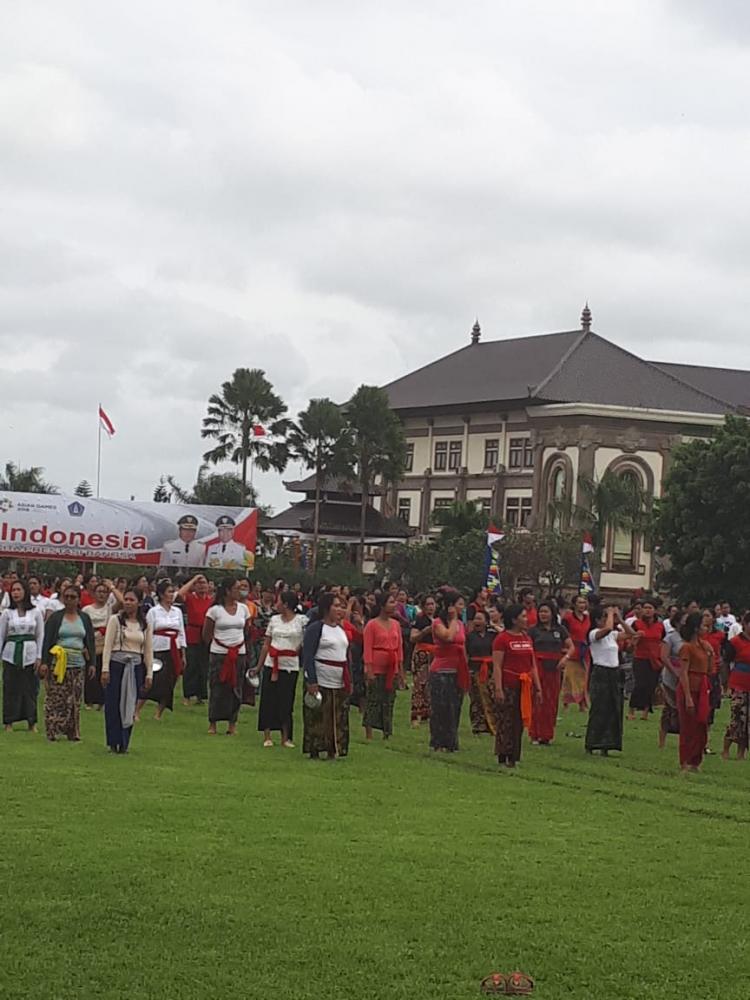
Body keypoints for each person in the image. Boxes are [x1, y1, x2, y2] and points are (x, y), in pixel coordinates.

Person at [40, 585, 96, 742]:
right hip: (58, 663)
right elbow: (47, 640)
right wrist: (44, 662)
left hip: (78, 663)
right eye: (67, 597)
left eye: (73, 597)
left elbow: (89, 640)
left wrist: (92, 662)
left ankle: (73, 731)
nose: (69, 600)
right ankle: (52, 729)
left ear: (79, 599)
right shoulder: (56, 618)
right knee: (56, 697)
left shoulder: (84, 618)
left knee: (75, 698)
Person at [101, 589, 154, 753]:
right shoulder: (115, 620)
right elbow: (108, 645)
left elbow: (148, 650)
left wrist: (149, 673)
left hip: (135, 667)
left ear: (138, 602)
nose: (128, 603)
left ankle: (124, 742)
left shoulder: (145, 624)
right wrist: (105, 669)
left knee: (130, 704)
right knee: (113, 704)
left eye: (132, 600)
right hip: (117, 665)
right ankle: (113, 741)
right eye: (126, 599)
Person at [492, 604, 542, 768]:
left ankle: (514, 756)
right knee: (505, 720)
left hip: (524, 686)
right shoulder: (502, 639)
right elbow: (497, 665)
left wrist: (538, 687)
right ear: (514, 619)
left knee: (518, 722)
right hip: (508, 685)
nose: (526, 620)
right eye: (523, 616)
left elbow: (532, 664)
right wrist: (498, 688)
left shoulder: (527, 638)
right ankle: (502, 754)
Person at [302, 594, 350, 760]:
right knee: (318, 715)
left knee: (337, 715)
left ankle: (334, 747)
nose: (339, 610)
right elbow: (308, 655)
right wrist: (311, 680)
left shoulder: (341, 630)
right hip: (321, 675)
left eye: (341, 606)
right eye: (336, 606)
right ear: (326, 608)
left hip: (339, 678)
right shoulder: (316, 628)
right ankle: (315, 748)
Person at [255, 590, 305, 747]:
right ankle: (267, 735)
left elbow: (306, 639)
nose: (276, 604)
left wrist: (299, 649)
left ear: (286, 604)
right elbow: (266, 644)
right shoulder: (274, 620)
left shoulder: (302, 621)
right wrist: (259, 666)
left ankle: (286, 737)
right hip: (272, 663)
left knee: (286, 701)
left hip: (290, 665)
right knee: (268, 699)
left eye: (279, 601)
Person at [202, 577, 251, 736]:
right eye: (236, 588)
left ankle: (232, 723)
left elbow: (247, 630)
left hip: (238, 653)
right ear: (228, 591)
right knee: (217, 687)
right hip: (219, 653)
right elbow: (206, 634)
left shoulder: (244, 609)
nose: (240, 591)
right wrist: (220, 645)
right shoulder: (215, 610)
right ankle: (213, 722)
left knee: (236, 688)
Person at [585, 606, 634, 755]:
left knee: (614, 708)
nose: (608, 620)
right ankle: (592, 742)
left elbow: (631, 634)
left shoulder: (612, 635)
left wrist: (620, 620)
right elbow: (605, 630)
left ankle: (608, 744)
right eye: (604, 617)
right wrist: (611, 615)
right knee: (600, 708)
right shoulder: (594, 634)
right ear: (597, 620)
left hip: (614, 673)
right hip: (601, 672)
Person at [429, 589, 470, 752]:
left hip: (457, 669)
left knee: (455, 707)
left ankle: (451, 741)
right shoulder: (438, 623)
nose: (462, 608)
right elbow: (448, 637)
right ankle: (438, 742)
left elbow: (462, 645)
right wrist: (453, 619)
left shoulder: (461, 624)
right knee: (441, 708)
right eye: (460, 604)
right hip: (441, 671)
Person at [0, 579, 44, 732]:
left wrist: (39, 657)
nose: (16, 593)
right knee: (10, 688)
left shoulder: (36, 612)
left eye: (19, 590)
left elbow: (40, 635)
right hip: (11, 654)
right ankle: (9, 721)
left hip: (30, 653)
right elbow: (1, 635)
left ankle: (32, 722)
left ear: (25, 592)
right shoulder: (7, 613)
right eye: (13, 590)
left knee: (30, 689)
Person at [139, 580, 186, 720]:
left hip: (174, 648)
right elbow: (148, 631)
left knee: (170, 682)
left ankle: (159, 712)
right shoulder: (153, 612)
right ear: (161, 594)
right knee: (153, 680)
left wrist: (183, 653)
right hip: (158, 648)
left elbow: (182, 632)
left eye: (173, 592)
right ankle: (137, 709)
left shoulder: (177, 611)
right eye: (169, 592)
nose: (172, 595)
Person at [529, 601, 573, 745]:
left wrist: (565, 658)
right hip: (538, 666)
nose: (543, 614)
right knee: (537, 699)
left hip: (554, 668)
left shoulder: (560, 630)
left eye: (546, 612)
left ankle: (547, 734)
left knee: (551, 700)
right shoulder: (533, 630)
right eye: (541, 611)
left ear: (552, 613)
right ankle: (535, 734)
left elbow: (571, 647)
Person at [362, 593, 404, 741]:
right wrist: (369, 669)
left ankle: (387, 732)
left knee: (389, 700)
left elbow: (399, 648)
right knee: (373, 699)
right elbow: (367, 648)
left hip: (392, 668)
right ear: (382, 605)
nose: (394, 605)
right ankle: (369, 733)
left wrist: (400, 670)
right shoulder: (372, 625)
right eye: (391, 602)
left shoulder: (396, 625)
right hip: (376, 667)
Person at [677, 612, 712, 772]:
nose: (707, 628)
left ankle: (696, 760)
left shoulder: (705, 646)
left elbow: (711, 670)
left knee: (701, 725)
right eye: (704, 625)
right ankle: (685, 760)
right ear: (696, 628)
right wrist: (688, 697)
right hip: (689, 686)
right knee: (688, 726)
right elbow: (683, 672)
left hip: (703, 686)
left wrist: (710, 655)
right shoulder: (687, 647)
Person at [82, 580, 119, 711]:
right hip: (91, 643)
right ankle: (89, 701)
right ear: (93, 593)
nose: (102, 594)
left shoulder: (109, 609)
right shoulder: (87, 610)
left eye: (104, 592)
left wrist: (112, 587)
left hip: (106, 643)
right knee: (90, 672)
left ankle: (102, 701)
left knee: (103, 672)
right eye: (99, 592)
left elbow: (121, 602)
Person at [177, 574, 212, 705]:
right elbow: (179, 595)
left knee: (204, 666)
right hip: (193, 633)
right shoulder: (191, 598)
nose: (202, 585)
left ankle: (201, 695)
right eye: (199, 583)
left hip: (207, 634)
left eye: (204, 583)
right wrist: (193, 580)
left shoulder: (211, 600)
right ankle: (187, 695)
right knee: (191, 665)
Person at [628, 600, 665, 721]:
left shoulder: (660, 626)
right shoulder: (636, 624)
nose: (647, 610)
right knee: (640, 684)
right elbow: (629, 643)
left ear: (655, 610)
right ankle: (631, 710)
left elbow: (663, 641)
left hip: (655, 659)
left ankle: (645, 712)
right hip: (640, 658)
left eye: (650, 607)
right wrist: (635, 641)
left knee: (651, 685)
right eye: (645, 608)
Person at [722, 611, 750, 760]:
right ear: (744, 624)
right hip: (738, 683)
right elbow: (726, 662)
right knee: (737, 718)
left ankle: (741, 753)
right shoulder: (735, 642)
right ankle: (726, 749)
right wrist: (726, 683)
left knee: (748, 721)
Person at [466, 609, 496, 735]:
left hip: (490, 670)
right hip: (475, 669)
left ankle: (492, 725)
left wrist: (494, 626)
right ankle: (478, 725)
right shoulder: (470, 636)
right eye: (475, 619)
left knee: (491, 697)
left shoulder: (492, 635)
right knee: (476, 699)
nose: (477, 621)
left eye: (480, 618)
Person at [660, 608, 686, 749]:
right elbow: (664, 657)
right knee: (669, 708)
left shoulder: (689, 638)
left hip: (685, 676)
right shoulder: (670, 637)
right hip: (671, 677)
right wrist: (674, 671)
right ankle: (662, 741)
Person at [701, 608, 725, 754]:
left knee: (710, 709)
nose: (705, 618)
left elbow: (721, 654)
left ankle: (706, 742)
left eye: (708, 615)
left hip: (713, 673)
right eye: (703, 616)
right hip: (699, 672)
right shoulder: (697, 636)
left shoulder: (719, 635)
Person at [409, 595, 436, 727]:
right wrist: (424, 632)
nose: (431, 607)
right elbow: (413, 638)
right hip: (422, 653)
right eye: (428, 604)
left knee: (431, 686)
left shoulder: (437, 621)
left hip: (435, 654)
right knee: (420, 684)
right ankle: (416, 715)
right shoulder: (420, 620)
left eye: (432, 604)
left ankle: (428, 714)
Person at [561, 594, 590, 711]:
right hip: (572, 649)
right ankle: (566, 702)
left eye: (584, 603)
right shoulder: (568, 618)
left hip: (584, 650)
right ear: (574, 604)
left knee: (583, 677)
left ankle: (582, 703)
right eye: (579, 602)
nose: (582, 605)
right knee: (569, 677)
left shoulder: (588, 618)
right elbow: (563, 633)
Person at [343, 597, 366, 717]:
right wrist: (349, 606)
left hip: (359, 653)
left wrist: (360, 622)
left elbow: (362, 637)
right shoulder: (345, 622)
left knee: (359, 682)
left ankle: (361, 708)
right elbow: (345, 626)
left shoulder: (361, 620)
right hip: (351, 653)